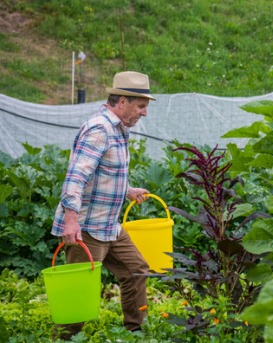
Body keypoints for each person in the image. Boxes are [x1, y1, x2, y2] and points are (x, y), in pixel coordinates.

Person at [51, 71, 155, 339]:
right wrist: (71, 220)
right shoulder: (100, 130)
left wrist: (128, 191)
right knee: (79, 290)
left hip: (109, 226)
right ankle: (66, 338)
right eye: (141, 106)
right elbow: (76, 176)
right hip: (86, 227)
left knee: (136, 270)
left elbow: (102, 172)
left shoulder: (119, 130)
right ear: (122, 101)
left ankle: (134, 332)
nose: (144, 113)